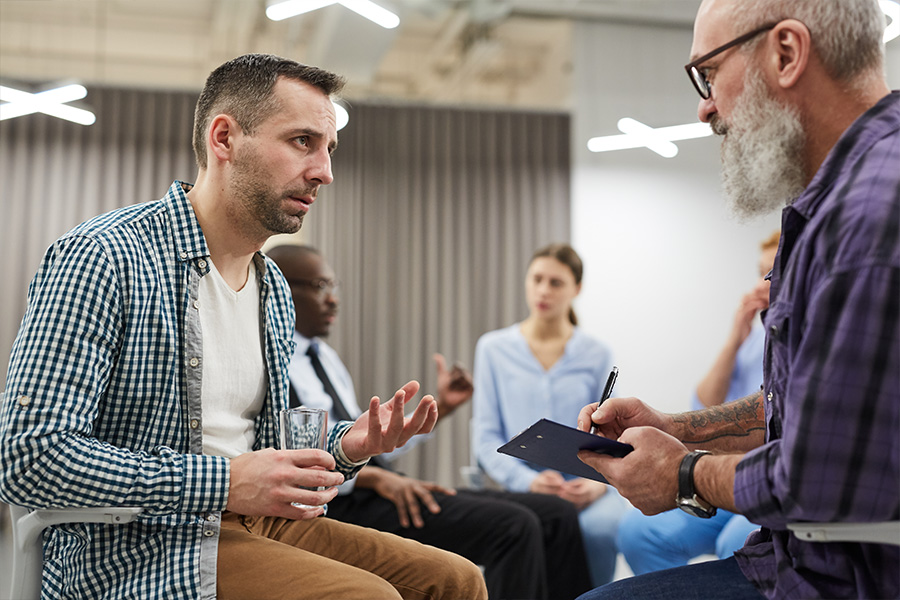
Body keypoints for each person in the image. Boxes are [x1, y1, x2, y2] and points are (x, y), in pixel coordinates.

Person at [0, 53, 487, 600]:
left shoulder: (273, 288)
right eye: (303, 141)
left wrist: (347, 446)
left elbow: (264, 448)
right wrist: (225, 482)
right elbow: (29, 456)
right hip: (141, 544)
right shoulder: (103, 257)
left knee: (456, 580)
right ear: (224, 138)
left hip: (257, 523)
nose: (325, 171)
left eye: (328, 149)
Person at [576, 0, 899, 598]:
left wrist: (680, 473)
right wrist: (677, 427)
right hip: (794, 561)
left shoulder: (874, 214)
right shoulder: (834, 202)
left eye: (709, 72)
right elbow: (803, 410)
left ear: (785, 53)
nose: (705, 105)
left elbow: (818, 481)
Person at [266, 243, 594, 600]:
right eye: (320, 287)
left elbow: (368, 445)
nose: (333, 300)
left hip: (383, 486)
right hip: (346, 500)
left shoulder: (325, 357)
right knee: (515, 527)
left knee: (558, 515)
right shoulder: (272, 361)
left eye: (334, 286)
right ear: (281, 288)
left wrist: (444, 408)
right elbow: (280, 453)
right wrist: (376, 476)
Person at [616, 231, 779, 575]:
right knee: (637, 533)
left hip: (765, 481)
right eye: (763, 272)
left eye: (777, 270)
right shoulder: (750, 339)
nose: (766, 282)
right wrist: (735, 339)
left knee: (736, 547)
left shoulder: (799, 334)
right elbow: (704, 401)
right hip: (718, 472)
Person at [471, 242, 630, 587]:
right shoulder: (493, 348)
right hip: (522, 483)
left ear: (577, 289)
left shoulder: (596, 353)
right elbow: (485, 438)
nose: (543, 290)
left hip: (585, 482)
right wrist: (526, 482)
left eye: (555, 282)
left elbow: (611, 436)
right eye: (537, 279)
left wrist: (596, 485)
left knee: (600, 529)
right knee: (522, 527)